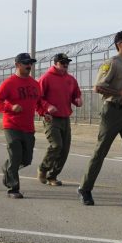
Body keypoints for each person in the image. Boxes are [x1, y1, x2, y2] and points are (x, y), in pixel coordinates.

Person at [77, 31, 122, 207]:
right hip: (112, 112)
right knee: (101, 151)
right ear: (119, 44)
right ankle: (85, 189)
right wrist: (119, 93)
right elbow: (98, 87)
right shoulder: (111, 63)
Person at [0, 53, 41, 199]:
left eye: (30, 63)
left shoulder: (34, 84)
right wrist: (10, 108)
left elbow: (38, 103)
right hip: (11, 125)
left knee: (26, 159)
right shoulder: (9, 83)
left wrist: (45, 113)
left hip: (28, 127)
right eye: (26, 63)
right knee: (15, 154)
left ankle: (7, 168)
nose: (29, 66)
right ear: (17, 65)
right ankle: (13, 188)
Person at [36, 52, 83, 186]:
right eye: (63, 63)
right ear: (55, 64)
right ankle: (43, 168)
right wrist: (47, 106)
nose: (65, 65)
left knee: (65, 149)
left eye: (67, 63)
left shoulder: (70, 79)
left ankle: (53, 176)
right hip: (51, 118)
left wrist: (78, 100)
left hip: (65, 117)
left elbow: (76, 94)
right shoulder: (46, 78)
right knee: (56, 145)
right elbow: (38, 98)